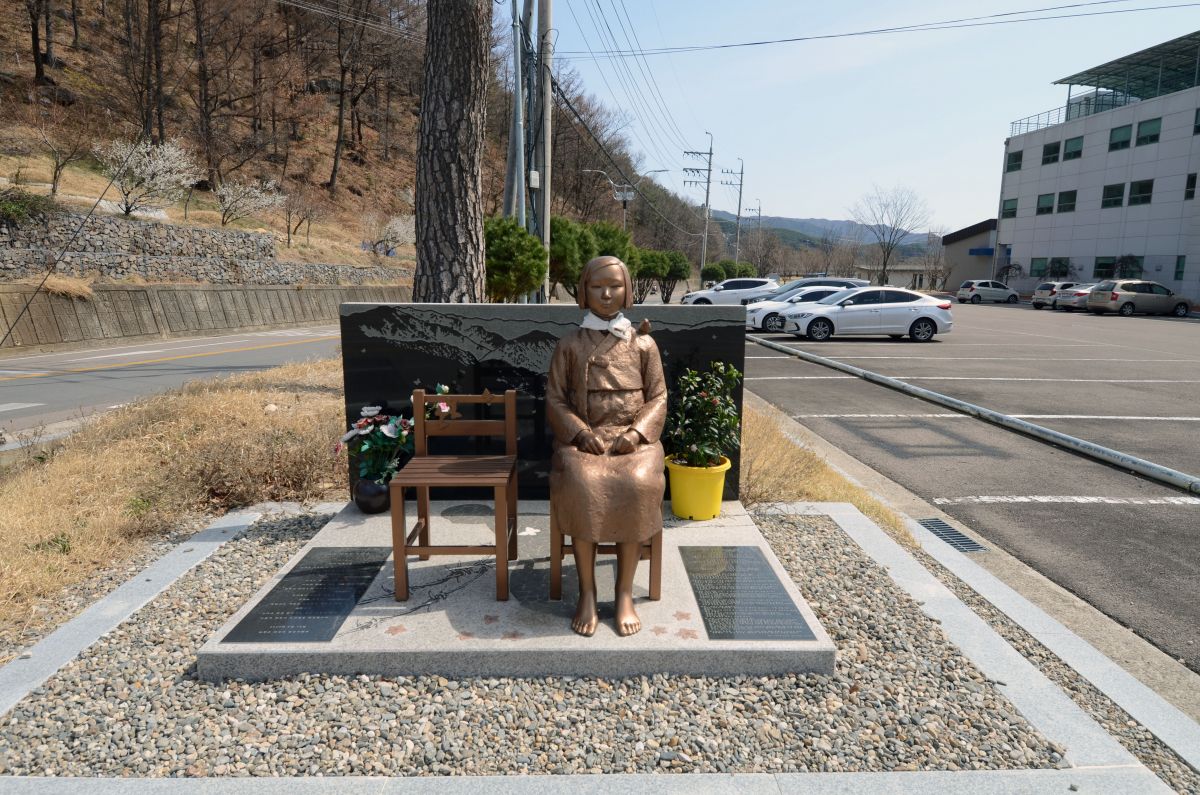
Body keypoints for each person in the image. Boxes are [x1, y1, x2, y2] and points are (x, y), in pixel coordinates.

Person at [546, 256, 667, 637]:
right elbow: (555, 399)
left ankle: (624, 592)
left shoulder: (644, 343)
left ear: (627, 290)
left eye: (615, 286)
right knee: (583, 484)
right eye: (597, 286)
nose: (606, 294)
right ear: (583, 291)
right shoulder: (570, 344)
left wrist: (636, 434)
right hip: (585, 442)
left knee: (637, 484)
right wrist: (581, 433)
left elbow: (658, 397)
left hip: (634, 443)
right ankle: (587, 592)